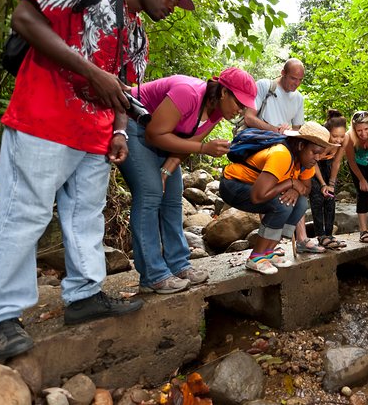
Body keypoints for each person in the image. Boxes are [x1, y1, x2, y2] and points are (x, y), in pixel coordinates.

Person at [0, 0, 194, 359]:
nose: (171, 6)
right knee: (24, 212)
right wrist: (92, 72)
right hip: (43, 117)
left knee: (86, 215)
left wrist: (118, 130)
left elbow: (123, 88)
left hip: (96, 134)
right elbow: (25, 17)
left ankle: (84, 295)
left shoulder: (138, 33)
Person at [118, 68, 257, 294]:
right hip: (135, 128)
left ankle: (179, 265)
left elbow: (187, 144)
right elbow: (154, 134)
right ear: (223, 93)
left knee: (173, 198)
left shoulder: (216, 112)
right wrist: (205, 148)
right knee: (150, 195)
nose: (240, 110)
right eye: (239, 103)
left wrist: (166, 172)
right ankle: (153, 275)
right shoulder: (189, 92)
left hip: (165, 139)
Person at [219, 122, 335, 275]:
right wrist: (290, 183)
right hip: (233, 185)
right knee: (282, 205)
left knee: (300, 203)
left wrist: (294, 189)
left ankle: (268, 252)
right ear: (301, 145)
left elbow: (305, 189)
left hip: (258, 187)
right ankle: (256, 257)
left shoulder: (307, 163)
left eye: (321, 153)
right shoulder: (281, 155)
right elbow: (257, 196)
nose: (318, 158)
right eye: (315, 152)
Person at [240, 58, 324, 254]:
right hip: (262, 145)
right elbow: (249, 118)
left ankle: (301, 238)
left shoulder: (298, 98)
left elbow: (297, 130)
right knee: (268, 191)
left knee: (298, 185)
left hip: (286, 146)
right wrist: (274, 130)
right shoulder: (264, 86)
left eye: (300, 80)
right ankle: (270, 245)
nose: (296, 83)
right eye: (293, 78)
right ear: (283, 73)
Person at [328, 110, 368, 243]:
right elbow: (351, 161)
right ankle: (363, 231)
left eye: (366, 129)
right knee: (362, 193)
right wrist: (362, 179)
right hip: (358, 165)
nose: (363, 133)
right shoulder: (348, 137)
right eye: (359, 130)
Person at [309, 110, 348, 250]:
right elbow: (313, 162)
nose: (339, 139)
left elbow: (337, 162)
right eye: (335, 136)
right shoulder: (320, 139)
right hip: (313, 166)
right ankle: (321, 236)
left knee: (330, 198)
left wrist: (331, 184)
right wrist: (322, 184)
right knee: (318, 198)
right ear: (327, 132)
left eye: (341, 136)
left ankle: (330, 235)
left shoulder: (345, 139)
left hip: (329, 166)